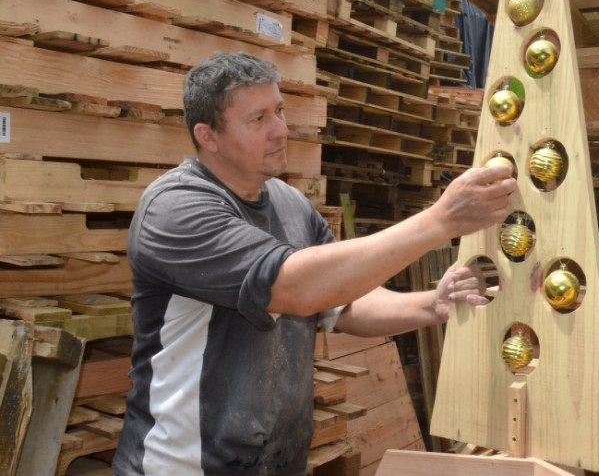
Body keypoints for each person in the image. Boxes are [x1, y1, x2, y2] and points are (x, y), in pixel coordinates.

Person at [112, 51, 515, 475]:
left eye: (280, 111)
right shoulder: (175, 209)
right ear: (207, 136)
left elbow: (343, 302)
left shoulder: (289, 204)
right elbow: (296, 289)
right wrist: (440, 219)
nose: (282, 130)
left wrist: (433, 304)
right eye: (259, 119)